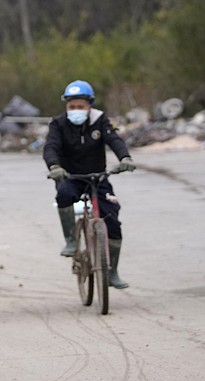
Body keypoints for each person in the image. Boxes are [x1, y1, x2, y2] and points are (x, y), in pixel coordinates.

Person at [43, 79, 135, 289]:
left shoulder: (101, 121)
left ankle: (112, 272)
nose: (76, 110)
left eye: (80, 106)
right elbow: (51, 147)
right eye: (71, 106)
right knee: (63, 194)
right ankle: (71, 240)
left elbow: (114, 140)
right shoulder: (58, 124)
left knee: (111, 218)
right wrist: (54, 166)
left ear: (89, 105)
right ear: (66, 107)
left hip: (98, 178)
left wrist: (125, 158)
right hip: (70, 177)